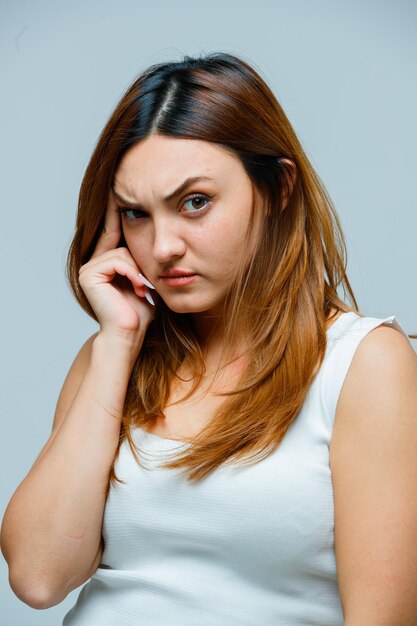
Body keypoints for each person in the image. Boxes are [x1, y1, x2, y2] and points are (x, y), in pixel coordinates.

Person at [1, 52, 417, 626]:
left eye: (194, 202)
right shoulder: (113, 360)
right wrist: (118, 341)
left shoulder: (363, 365)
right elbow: (39, 577)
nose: (163, 245)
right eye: (135, 214)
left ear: (278, 189)